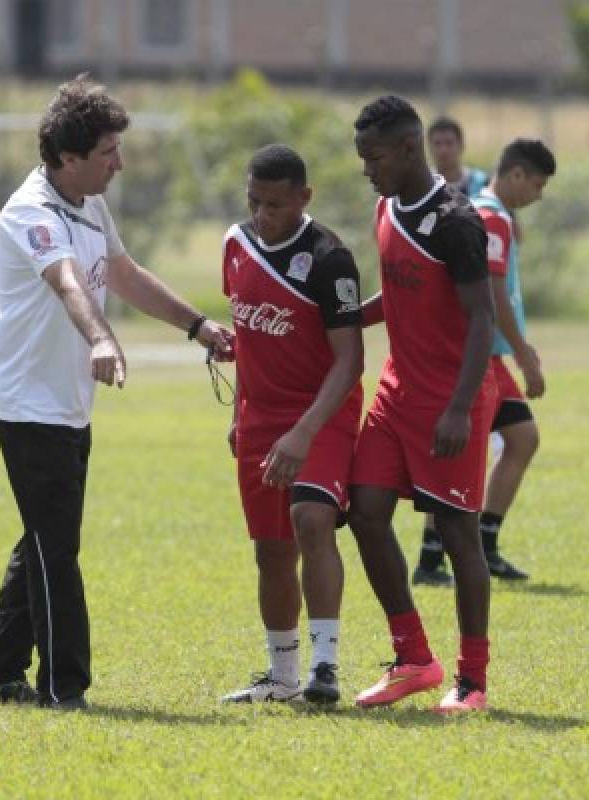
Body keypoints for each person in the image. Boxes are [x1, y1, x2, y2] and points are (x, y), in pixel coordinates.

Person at [0, 75, 233, 711]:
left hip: (66, 402)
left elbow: (123, 274)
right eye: (108, 152)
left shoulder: (89, 203)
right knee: (56, 545)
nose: (119, 163)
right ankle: (64, 687)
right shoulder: (31, 211)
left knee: (42, 532)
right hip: (26, 402)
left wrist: (197, 325)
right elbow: (67, 282)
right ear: (67, 156)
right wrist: (102, 339)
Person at [349, 95, 497, 713]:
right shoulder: (386, 207)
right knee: (364, 510)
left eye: (373, 156)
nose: (366, 169)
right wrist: (343, 320)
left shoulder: (459, 222)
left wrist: (460, 409)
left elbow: (482, 320)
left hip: (451, 399)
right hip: (396, 391)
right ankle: (414, 657)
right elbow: (398, 292)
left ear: (408, 149)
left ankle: (473, 681)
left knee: (460, 535)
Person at [219, 144, 364, 706]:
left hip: (321, 412)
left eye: (276, 205)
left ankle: (324, 668)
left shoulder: (329, 258)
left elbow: (350, 360)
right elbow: (250, 340)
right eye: (255, 202)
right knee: (272, 550)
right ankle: (281, 678)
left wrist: (303, 431)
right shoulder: (235, 246)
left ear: (304, 198)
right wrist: (239, 415)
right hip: (260, 419)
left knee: (310, 518)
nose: (263, 214)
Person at [414, 139, 556, 586]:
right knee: (467, 451)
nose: (539, 194)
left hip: (487, 356)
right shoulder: (491, 217)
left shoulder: (487, 212)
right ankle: (433, 559)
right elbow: (492, 290)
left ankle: (482, 544)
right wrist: (524, 353)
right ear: (515, 175)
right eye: (537, 183)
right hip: (479, 358)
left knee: (521, 438)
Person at [428, 116, 488, 198]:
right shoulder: (423, 185)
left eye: (449, 143)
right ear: (429, 147)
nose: (443, 150)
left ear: (462, 145)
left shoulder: (482, 184)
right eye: (437, 144)